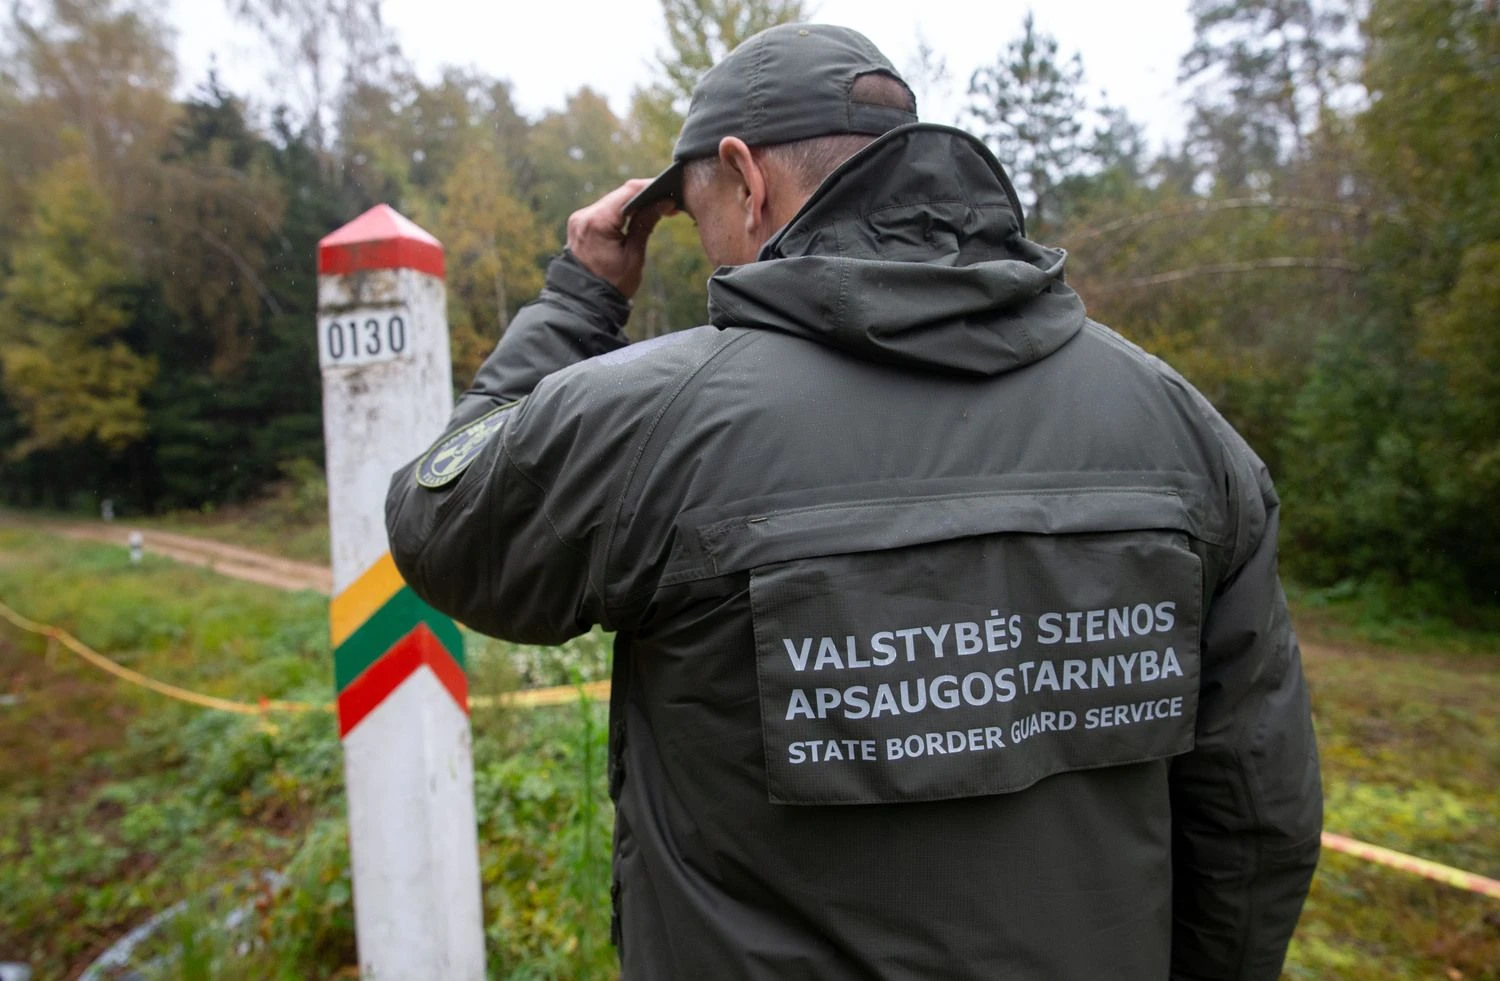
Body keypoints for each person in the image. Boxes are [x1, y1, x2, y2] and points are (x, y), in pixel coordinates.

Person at [386, 23, 1322, 981]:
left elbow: (439, 522)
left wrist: (581, 297)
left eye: (701, 210)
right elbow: (1256, 816)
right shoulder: (1180, 427)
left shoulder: (654, 423)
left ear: (748, 179)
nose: (708, 249)